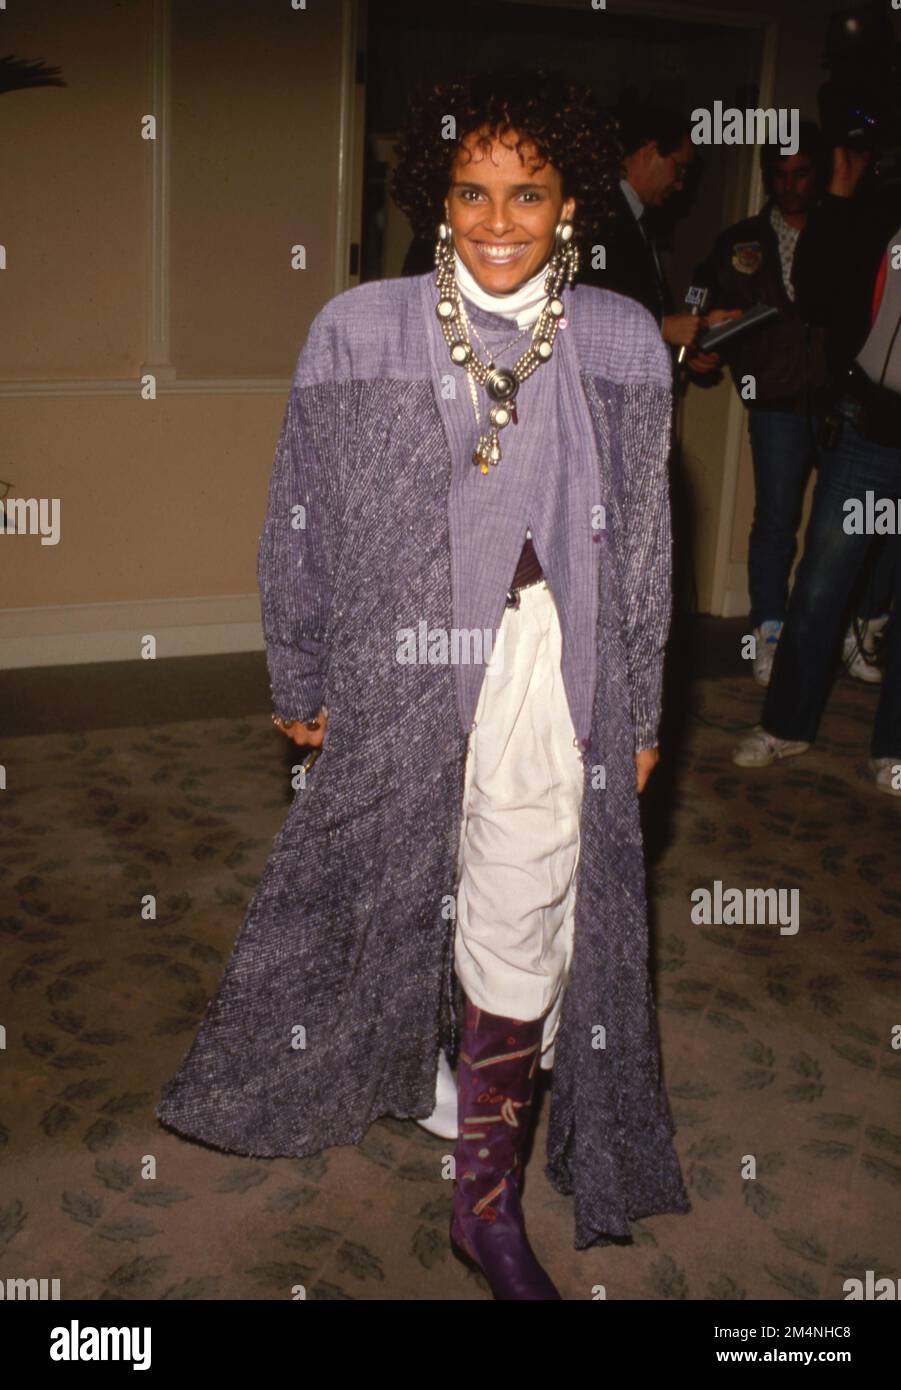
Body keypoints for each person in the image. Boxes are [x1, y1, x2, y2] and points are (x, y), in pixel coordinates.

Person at [155, 67, 690, 1298]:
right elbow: (302, 509)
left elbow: (649, 548)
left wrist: (643, 710)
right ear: (434, 194)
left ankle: (484, 1206)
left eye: (529, 193)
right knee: (388, 877)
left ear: (570, 204)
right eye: (471, 191)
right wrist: (297, 658)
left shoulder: (615, 339)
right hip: (393, 656)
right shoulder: (360, 326)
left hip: (552, 663)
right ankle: (417, 1065)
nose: (498, 221)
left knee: (525, 894)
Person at [732, 145, 901, 796]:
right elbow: (818, 292)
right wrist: (836, 202)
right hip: (868, 429)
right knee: (820, 584)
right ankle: (786, 724)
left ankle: (893, 749)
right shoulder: (879, 208)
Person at [694, 124, 831, 685]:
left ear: (818, 173)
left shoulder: (841, 230)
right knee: (776, 517)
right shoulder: (740, 241)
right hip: (772, 398)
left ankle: (824, 630)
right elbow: (699, 294)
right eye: (779, 173)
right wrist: (697, 339)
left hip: (840, 400)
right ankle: (767, 629)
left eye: (801, 173)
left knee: (836, 525)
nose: (790, 184)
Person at [576, 102, 729, 375]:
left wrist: (688, 336)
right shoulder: (601, 213)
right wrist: (663, 327)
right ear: (649, 152)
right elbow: (584, 305)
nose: (680, 184)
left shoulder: (634, 220)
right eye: (679, 169)